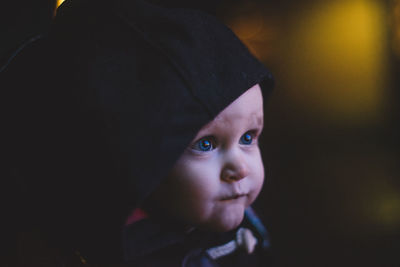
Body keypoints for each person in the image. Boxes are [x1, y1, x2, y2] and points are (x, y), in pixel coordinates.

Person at [2, 0, 274, 265]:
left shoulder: (235, 214)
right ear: (140, 161)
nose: (239, 168)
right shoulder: (121, 253)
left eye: (248, 138)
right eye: (204, 144)